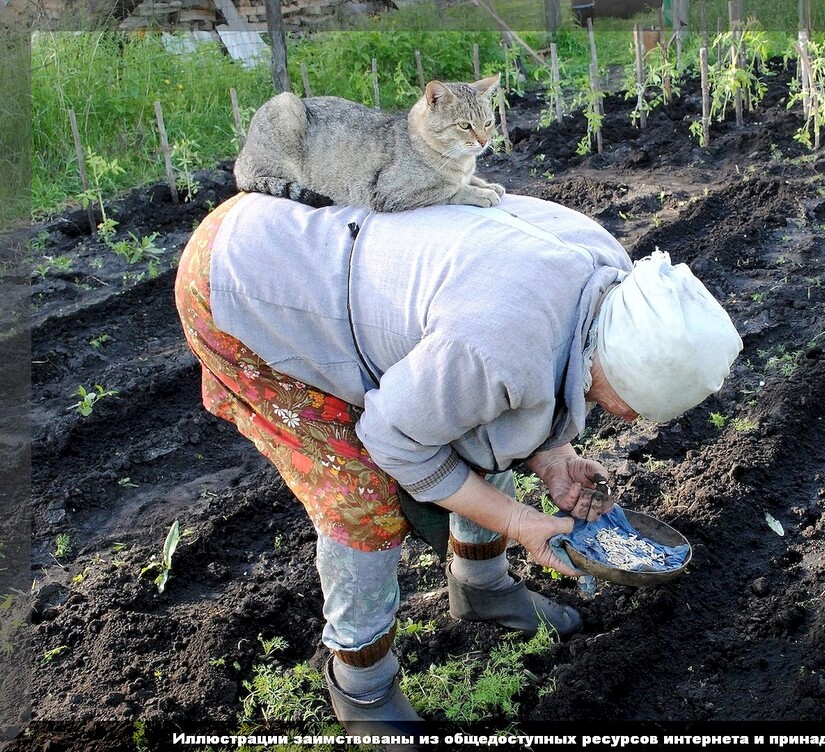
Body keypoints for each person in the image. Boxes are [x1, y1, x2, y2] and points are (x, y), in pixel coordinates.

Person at [174, 190, 743, 733]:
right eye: (635, 405)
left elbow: (516, 380)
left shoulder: (606, 279)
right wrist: (521, 525)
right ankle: (361, 682)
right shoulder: (495, 347)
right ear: (620, 366)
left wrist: (553, 457)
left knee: (470, 417)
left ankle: (480, 587)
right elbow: (395, 436)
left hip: (344, 266)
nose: (635, 422)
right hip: (247, 280)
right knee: (361, 495)